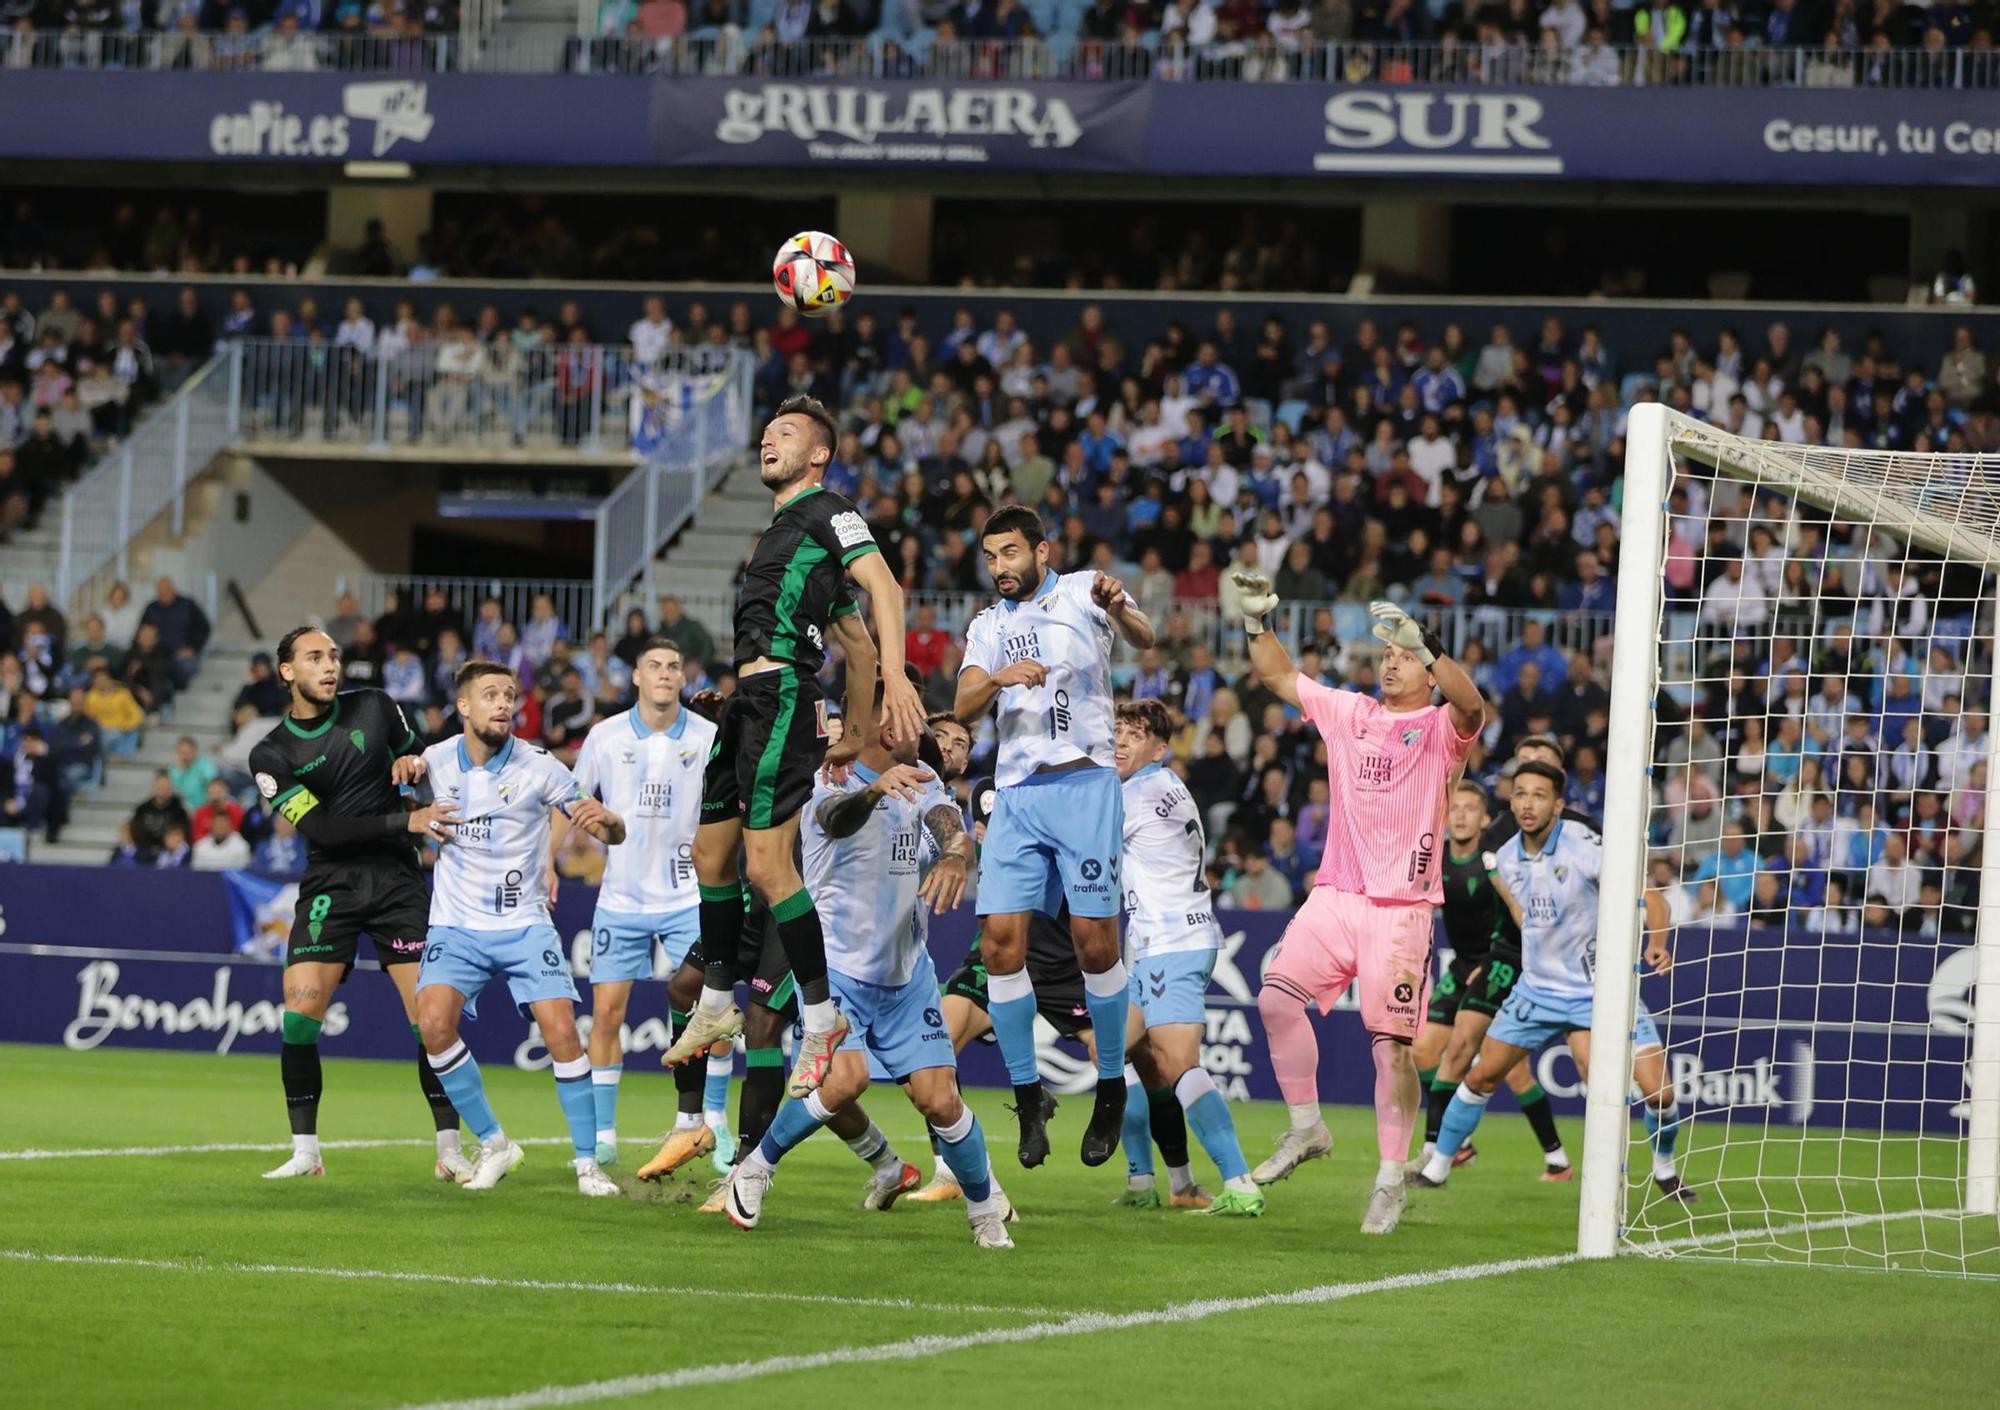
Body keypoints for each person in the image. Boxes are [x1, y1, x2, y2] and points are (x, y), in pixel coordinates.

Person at [662, 395, 925, 1102]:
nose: (765, 441)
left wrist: (892, 689)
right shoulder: (785, 539)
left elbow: (885, 592)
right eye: (765, 432)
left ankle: (820, 1019)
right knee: (708, 856)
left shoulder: (829, 509)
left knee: (769, 867)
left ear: (818, 455)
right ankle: (717, 1003)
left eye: (785, 433)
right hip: (749, 704)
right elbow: (857, 646)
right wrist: (857, 735)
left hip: (782, 696)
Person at [719, 691, 1017, 1250]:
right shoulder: (830, 774)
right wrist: (874, 789)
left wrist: (956, 854)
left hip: (907, 975)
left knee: (941, 1100)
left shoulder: (925, 779)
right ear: (877, 724)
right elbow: (831, 820)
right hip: (838, 968)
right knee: (844, 1081)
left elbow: (949, 824)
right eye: (901, 712)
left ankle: (984, 1212)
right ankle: (757, 1167)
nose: (913, 722)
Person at [1233, 569, 1482, 1237]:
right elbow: (1280, 678)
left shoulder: (1436, 729)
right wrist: (1258, 622)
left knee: (1391, 1052)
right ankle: (1307, 1128)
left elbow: (1473, 707)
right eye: (1387, 653)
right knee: (1274, 997)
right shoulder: (1351, 712)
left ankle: (1390, 1179)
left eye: (1404, 656)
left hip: (1402, 910)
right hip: (1338, 892)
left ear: (1428, 670)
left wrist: (1428, 643)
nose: (1391, 663)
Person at [954, 503, 1157, 1169]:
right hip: (1016, 794)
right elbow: (960, 706)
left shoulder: (1082, 589)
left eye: (1010, 553)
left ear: (1042, 552)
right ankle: (1027, 1092)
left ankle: (1106, 1091)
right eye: (990, 557)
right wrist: (997, 680)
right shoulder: (988, 625)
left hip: (1085, 786)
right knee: (998, 944)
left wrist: (1120, 606)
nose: (999, 568)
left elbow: (1144, 634)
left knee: (1096, 943)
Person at [1410, 762, 1695, 1203]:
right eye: (1520, 794)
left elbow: (1650, 895)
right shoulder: (1505, 858)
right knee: (1482, 1074)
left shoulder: (1585, 849)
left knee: (1659, 1091)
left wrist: (1656, 942)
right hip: (1537, 992)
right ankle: (1437, 1166)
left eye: (1539, 795)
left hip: (1599, 993)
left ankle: (1664, 1169)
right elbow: (1526, 919)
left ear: (1558, 805)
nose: (1527, 803)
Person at [249, 627, 467, 1183]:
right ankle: (306, 1152)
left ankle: (450, 1150)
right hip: (331, 883)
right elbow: (323, 827)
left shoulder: (376, 706)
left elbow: (418, 757)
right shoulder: (270, 753)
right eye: (314, 658)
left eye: (334, 657)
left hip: (397, 880)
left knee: (430, 1022)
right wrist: (406, 819)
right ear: (287, 672)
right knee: (299, 1017)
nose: (330, 666)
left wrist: (414, 763)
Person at [412, 661, 629, 1196]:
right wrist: (408, 806)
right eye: (490, 695)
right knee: (433, 1024)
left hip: (523, 923)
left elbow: (607, 827)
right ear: (464, 706)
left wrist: (610, 822)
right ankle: (494, 1142)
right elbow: (397, 800)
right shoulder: (435, 762)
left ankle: (586, 1164)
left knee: (560, 1031)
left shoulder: (541, 766)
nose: (504, 703)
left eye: (509, 695)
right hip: (456, 924)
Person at [568, 637, 731, 1173]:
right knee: (607, 1015)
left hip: (691, 897)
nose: (664, 673)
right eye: (654, 666)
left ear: (684, 678)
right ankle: (607, 1133)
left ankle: (715, 1123)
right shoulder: (605, 735)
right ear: (635, 677)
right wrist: (549, 863)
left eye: (673, 666)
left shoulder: (709, 736)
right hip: (622, 898)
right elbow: (572, 800)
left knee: (713, 1014)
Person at [1112, 700, 1262, 1217]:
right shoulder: (1167, 785)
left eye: (1135, 735)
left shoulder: (1136, 793)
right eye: (1117, 732)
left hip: (1171, 944)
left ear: (1159, 748)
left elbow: (1081, 843)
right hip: (1159, 944)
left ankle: (1239, 1180)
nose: (1120, 742)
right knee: (1115, 1052)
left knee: (1178, 1064)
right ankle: (1146, 1181)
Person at [1408, 777, 1571, 1181]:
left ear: (1484, 819)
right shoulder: (1437, 859)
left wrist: (1505, 958)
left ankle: (1436, 1150)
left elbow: (1520, 917)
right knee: (1424, 1051)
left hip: (1501, 962)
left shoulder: (1497, 861)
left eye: (1469, 809)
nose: (1460, 816)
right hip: (1464, 965)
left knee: (1469, 1052)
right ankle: (1552, 1158)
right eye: (1454, 809)